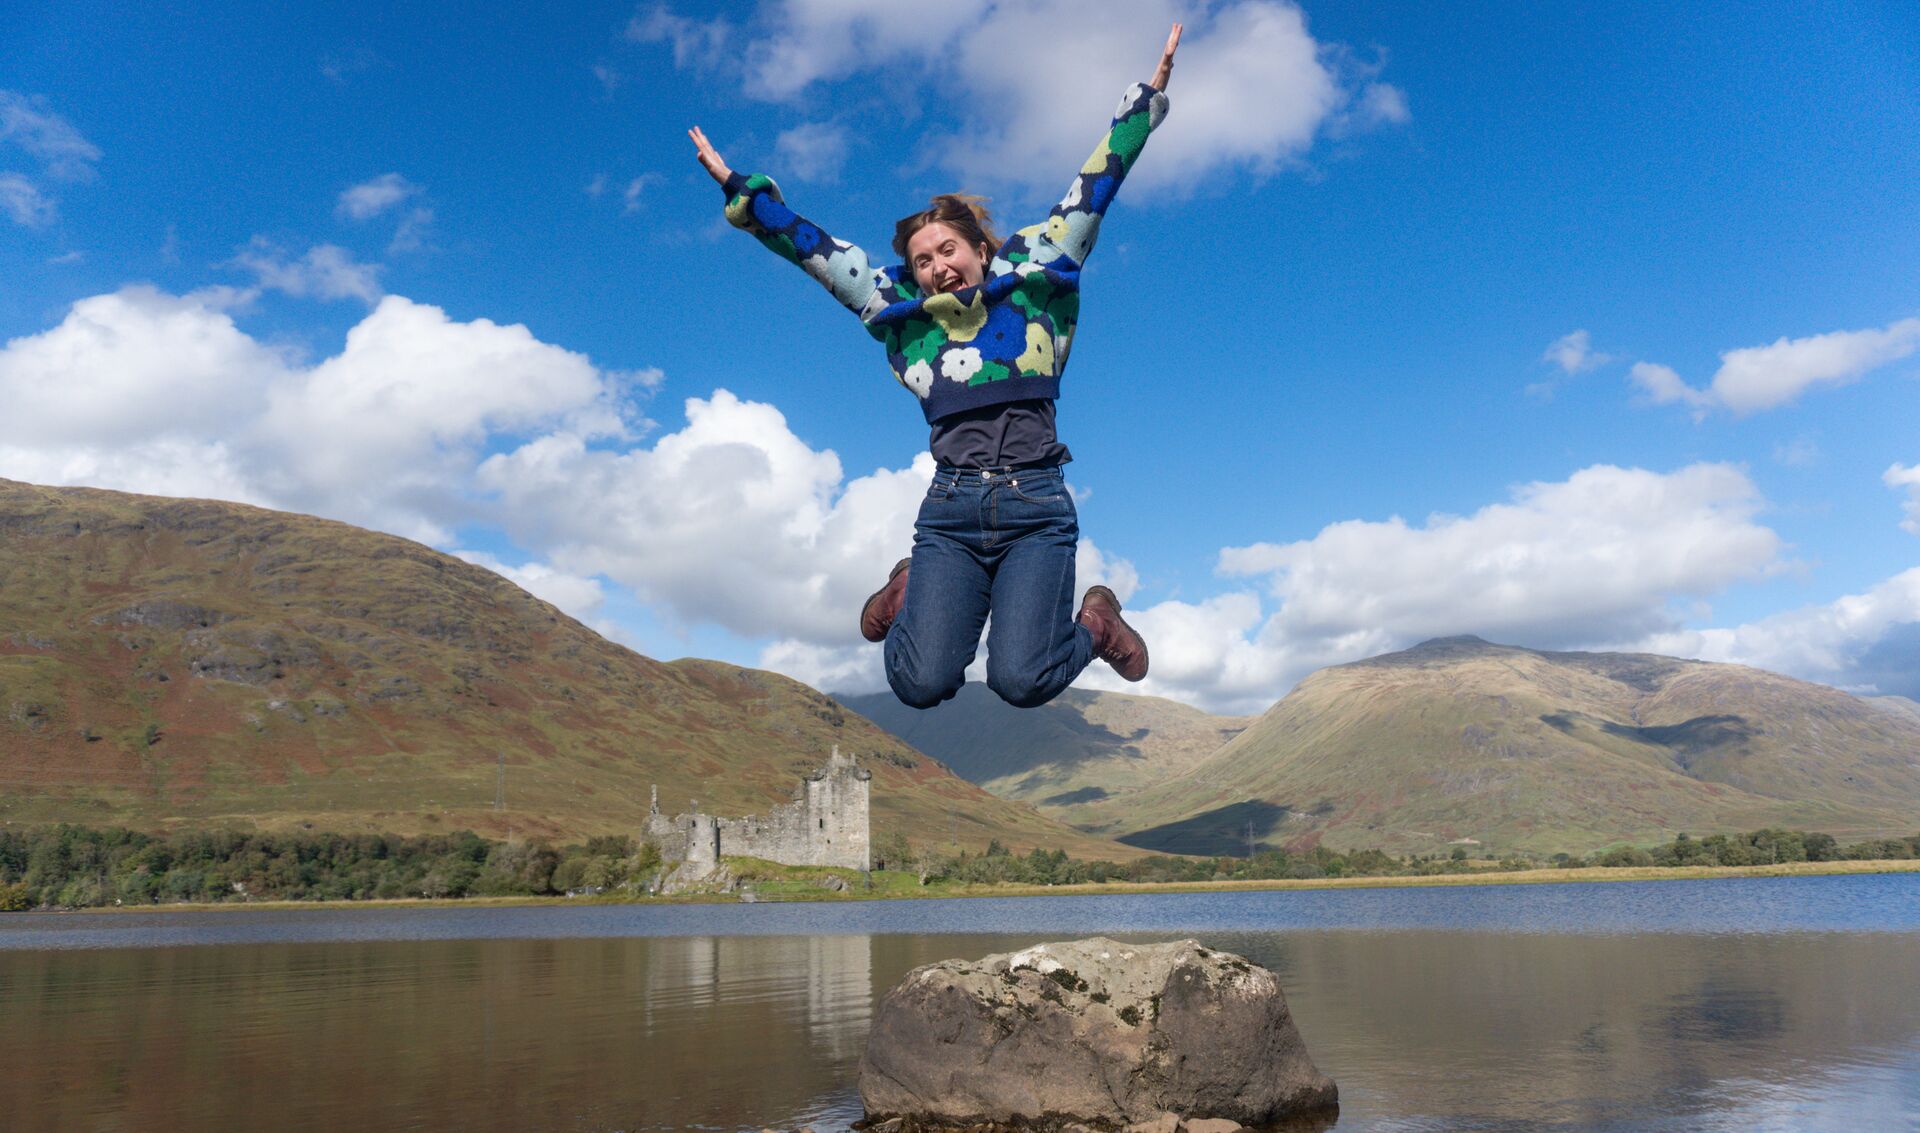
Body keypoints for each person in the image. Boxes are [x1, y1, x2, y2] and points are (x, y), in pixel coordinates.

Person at [689, 25, 1181, 710]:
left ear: (981, 248)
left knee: (1021, 679)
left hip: (1036, 507)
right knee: (918, 682)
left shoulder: (1037, 275)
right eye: (923, 260)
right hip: (949, 510)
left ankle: (1095, 624)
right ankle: (910, 588)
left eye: (948, 249)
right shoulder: (899, 308)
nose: (937, 265)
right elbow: (815, 250)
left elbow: (1093, 188)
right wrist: (744, 193)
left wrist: (1145, 102)